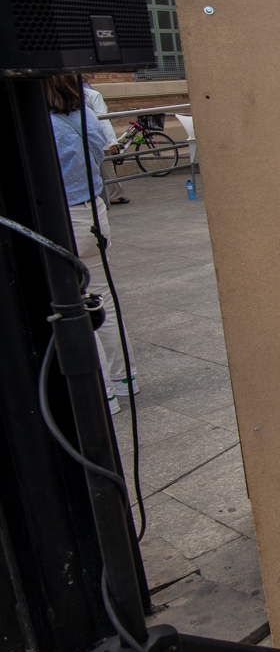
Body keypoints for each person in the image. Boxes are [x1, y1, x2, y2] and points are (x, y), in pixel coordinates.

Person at [44, 74, 137, 413]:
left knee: (72, 308)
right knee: (102, 301)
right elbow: (100, 151)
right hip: (94, 212)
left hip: (61, 217)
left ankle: (102, 394)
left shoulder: (42, 125)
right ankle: (126, 377)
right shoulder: (84, 115)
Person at [83, 82, 129, 205]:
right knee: (106, 167)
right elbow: (103, 119)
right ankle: (116, 194)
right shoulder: (93, 94)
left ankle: (113, 193)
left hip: (83, 139)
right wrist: (111, 141)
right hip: (97, 139)